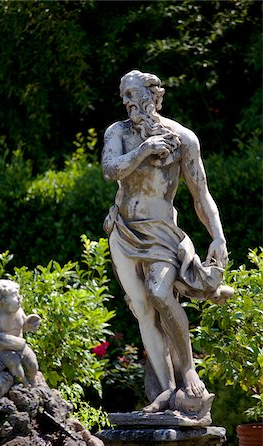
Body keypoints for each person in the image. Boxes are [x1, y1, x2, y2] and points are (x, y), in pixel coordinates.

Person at [102, 70, 233, 412]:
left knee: (160, 293)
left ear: (153, 96)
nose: (126, 101)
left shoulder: (184, 138)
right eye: (123, 95)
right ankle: (165, 388)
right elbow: (110, 170)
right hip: (123, 229)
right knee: (143, 310)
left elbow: (200, 195)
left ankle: (188, 369)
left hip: (161, 232)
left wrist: (217, 236)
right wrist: (144, 150)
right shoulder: (118, 133)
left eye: (132, 93)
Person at [0, 279, 41, 387]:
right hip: (4, 351)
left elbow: (24, 326)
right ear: (2, 301)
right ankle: (24, 384)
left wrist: (31, 323)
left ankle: (32, 379)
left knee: (33, 362)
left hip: (21, 347)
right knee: (14, 363)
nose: (19, 298)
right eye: (15, 296)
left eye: (19, 295)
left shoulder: (19, 311)